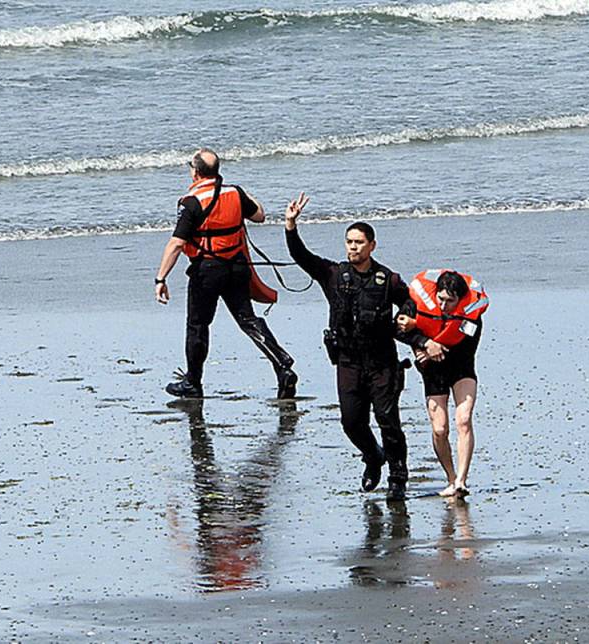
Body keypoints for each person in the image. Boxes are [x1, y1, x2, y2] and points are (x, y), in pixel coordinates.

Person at [284, 192, 426, 501]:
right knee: (351, 422)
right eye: (349, 242)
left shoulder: (387, 279)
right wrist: (291, 226)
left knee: (388, 420)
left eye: (359, 242)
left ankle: (398, 477)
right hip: (347, 360)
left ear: (372, 245)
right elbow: (301, 257)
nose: (353, 247)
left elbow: (408, 301)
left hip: (382, 361)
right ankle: (373, 456)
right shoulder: (333, 275)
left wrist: (407, 318)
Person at [155, 148, 297, 399]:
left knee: (198, 326)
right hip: (237, 266)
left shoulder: (191, 201)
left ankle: (193, 384)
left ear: (195, 172)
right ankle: (282, 365)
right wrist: (241, 192)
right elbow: (260, 216)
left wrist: (161, 278)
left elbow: (177, 244)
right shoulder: (234, 192)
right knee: (247, 319)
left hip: (207, 271)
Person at [397, 269, 488, 497]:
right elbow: (396, 328)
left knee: (464, 419)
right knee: (439, 429)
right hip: (432, 370)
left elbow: (466, 346)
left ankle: (461, 481)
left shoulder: (471, 315)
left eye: (450, 301)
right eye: (441, 299)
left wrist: (436, 349)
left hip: (461, 367)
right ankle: (449, 477)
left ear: (460, 300)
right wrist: (423, 343)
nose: (445, 305)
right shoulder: (417, 304)